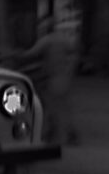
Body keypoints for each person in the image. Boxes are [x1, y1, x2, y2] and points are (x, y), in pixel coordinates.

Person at [15, 16, 80, 145]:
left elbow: (31, 54)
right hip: (65, 77)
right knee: (63, 107)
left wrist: (17, 55)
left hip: (54, 77)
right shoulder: (65, 40)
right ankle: (65, 133)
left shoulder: (47, 40)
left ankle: (57, 134)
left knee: (52, 107)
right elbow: (74, 55)